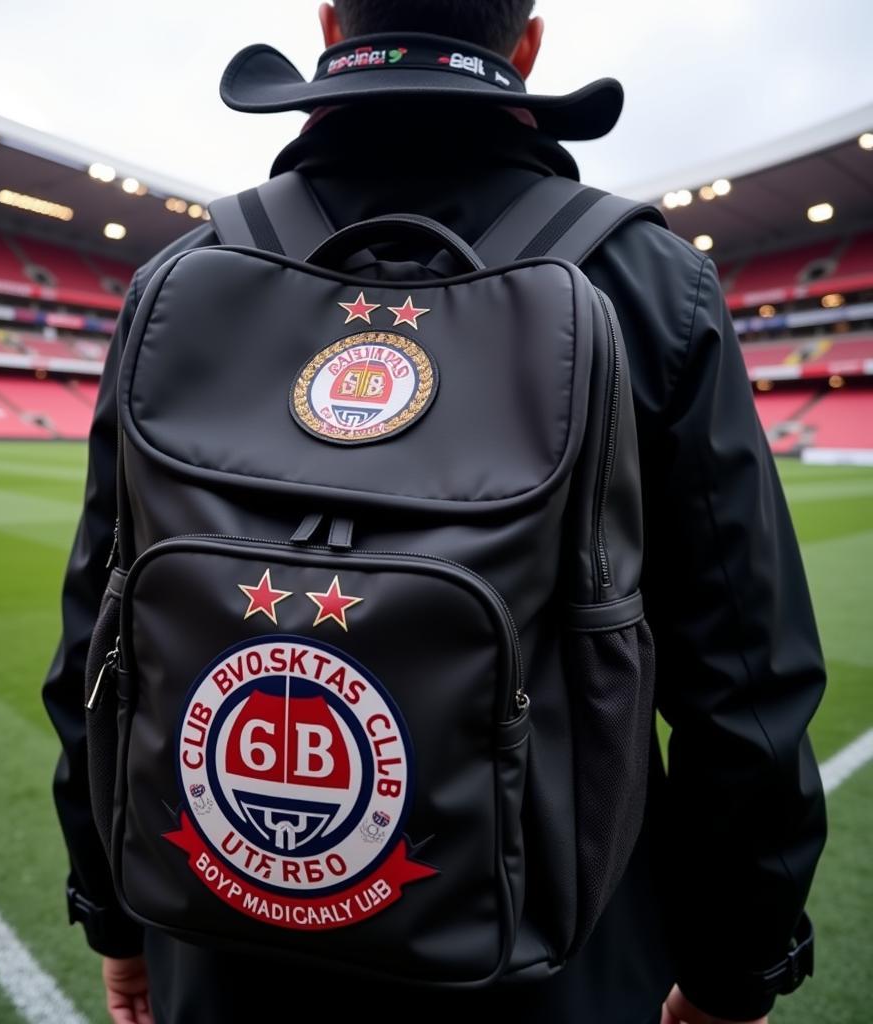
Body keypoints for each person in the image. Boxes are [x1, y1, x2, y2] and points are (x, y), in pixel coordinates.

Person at [43, 3, 827, 1022]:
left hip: (214, 925)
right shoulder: (647, 282)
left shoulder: (181, 279)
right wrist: (735, 967)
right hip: (543, 957)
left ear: (329, 22)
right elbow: (743, 682)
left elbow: (94, 647)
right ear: (528, 42)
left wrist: (113, 915)